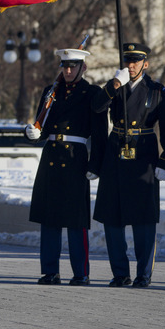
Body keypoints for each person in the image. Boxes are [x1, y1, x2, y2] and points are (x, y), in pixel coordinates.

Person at [90, 43, 165, 288]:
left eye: (136, 61)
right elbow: (96, 107)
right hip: (116, 153)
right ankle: (120, 273)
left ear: (145, 64)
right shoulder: (115, 86)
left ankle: (143, 274)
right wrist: (114, 85)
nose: (131, 65)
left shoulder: (156, 90)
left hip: (144, 156)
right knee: (112, 218)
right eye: (128, 60)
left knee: (143, 220)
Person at [25, 47, 107, 286]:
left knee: (75, 220)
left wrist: (95, 165)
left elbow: (100, 135)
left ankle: (81, 272)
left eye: (73, 66)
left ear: (84, 68)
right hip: (51, 156)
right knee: (49, 218)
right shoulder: (50, 91)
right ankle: (50, 270)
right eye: (65, 66)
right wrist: (32, 133)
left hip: (75, 159)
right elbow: (42, 125)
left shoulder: (92, 93)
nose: (68, 70)